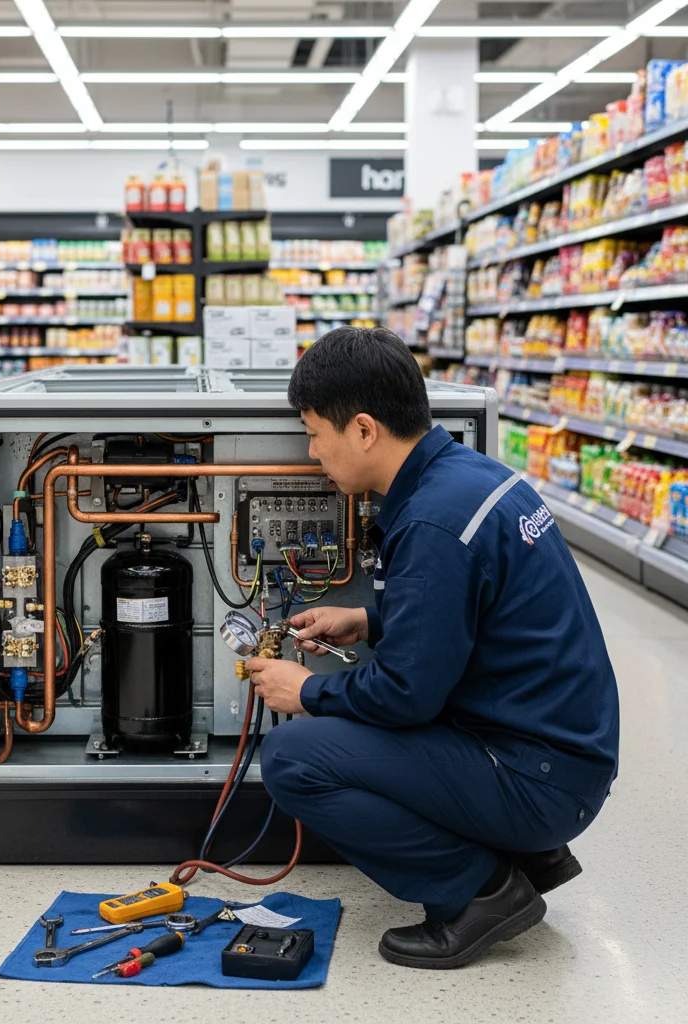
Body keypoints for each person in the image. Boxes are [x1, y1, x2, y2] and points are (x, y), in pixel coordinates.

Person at [245, 326, 619, 970]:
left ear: (363, 429)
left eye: (313, 432)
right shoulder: (468, 478)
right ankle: (526, 855)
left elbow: (406, 697)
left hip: (539, 778)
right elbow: (482, 612)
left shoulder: (431, 522)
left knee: (291, 757)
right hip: (564, 752)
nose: (311, 452)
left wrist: (305, 691)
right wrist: (370, 617)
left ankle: (480, 892)